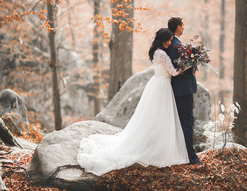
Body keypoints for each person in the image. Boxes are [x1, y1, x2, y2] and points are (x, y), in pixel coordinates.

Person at [77, 28, 189, 176]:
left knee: (156, 118)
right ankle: (157, 148)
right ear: (162, 39)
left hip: (157, 84)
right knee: (162, 117)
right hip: (162, 86)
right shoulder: (162, 54)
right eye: (167, 40)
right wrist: (187, 65)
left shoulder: (156, 52)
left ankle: (156, 144)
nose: (169, 42)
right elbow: (174, 72)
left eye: (170, 40)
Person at [166, 17, 202, 165]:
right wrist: (192, 63)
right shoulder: (174, 45)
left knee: (185, 122)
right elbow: (177, 66)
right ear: (178, 27)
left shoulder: (175, 43)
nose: (184, 27)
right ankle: (191, 156)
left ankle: (184, 153)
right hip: (182, 89)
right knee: (187, 122)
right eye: (182, 25)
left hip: (182, 88)